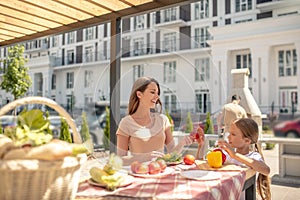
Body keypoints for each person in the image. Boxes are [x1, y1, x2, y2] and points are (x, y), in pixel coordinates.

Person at [116, 77, 204, 165]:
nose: (157, 96)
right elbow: (120, 160)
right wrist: (144, 157)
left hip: (161, 172)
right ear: (139, 94)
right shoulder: (126, 123)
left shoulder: (163, 120)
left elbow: (171, 154)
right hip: (139, 174)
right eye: (152, 92)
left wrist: (183, 142)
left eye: (157, 93)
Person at [218, 118, 271, 200]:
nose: (228, 136)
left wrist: (235, 155)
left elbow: (266, 170)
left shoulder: (253, 156)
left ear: (247, 141)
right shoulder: (227, 154)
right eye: (229, 133)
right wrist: (201, 146)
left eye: (233, 134)